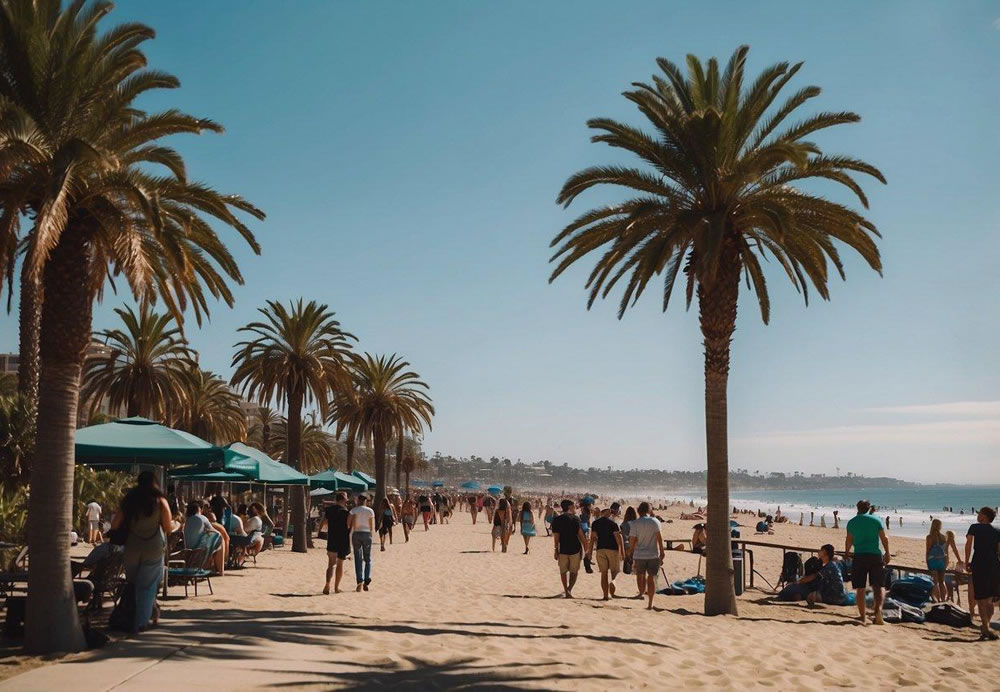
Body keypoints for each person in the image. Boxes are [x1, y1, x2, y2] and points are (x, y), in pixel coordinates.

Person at [112, 471, 172, 632]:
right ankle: (140, 623)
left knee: (135, 584)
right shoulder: (160, 501)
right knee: (146, 587)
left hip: (132, 547)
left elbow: (115, 525)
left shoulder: (129, 500)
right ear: (155, 483)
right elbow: (168, 527)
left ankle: (144, 614)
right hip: (153, 548)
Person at [845, 500, 890, 626]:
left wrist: (847, 553)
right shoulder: (876, 520)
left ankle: (863, 616)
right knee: (879, 585)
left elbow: (849, 540)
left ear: (857, 508)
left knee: (860, 587)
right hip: (875, 555)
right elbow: (884, 538)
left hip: (859, 555)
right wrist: (887, 552)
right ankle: (878, 610)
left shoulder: (852, 522)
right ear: (869, 508)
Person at [964, 506, 1000, 640]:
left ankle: (985, 626)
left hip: (979, 563)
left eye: (979, 514)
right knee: (990, 598)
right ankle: (987, 626)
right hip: (994, 565)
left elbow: (968, 545)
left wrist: (966, 561)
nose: (977, 516)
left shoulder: (975, 527)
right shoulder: (997, 530)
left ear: (983, 516)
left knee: (980, 598)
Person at [627, 501, 664, 610]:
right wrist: (662, 552)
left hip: (639, 555)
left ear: (639, 511)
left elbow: (632, 540)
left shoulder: (635, 523)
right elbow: (660, 538)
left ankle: (641, 593)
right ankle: (650, 603)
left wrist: (630, 553)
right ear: (649, 510)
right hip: (652, 554)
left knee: (640, 575)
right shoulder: (655, 521)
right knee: (651, 577)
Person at [552, 499, 586, 598]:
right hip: (575, 549)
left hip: (563, 549)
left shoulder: (557, 519)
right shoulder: (575, 519)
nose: (575, 508)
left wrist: (556, 549)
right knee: (574, 571)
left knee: (563, 571)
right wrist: (586, 547)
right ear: (570, 507)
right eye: (574, 506)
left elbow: (556, 536)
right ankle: (569, 589)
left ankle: (566, 590)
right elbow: (580, 535)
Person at [588, 507, 624, 601]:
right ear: (608, 514)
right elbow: (618, 540)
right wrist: (622, 553)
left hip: (600, 549)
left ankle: (605, 595)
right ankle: (613, 581)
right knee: (614, 572)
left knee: (604, 573)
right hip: (613, 549)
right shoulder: (613, 524)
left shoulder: (595, 523)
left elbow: (592, 539)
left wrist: (590, 553)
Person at [318, 492, 350, 594]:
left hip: (332, 538)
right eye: (346, 498)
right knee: (340, 564)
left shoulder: (329, 510)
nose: (347, 500)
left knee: (331, 564)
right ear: (343, 499)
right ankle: (336, 587)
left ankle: (327, 585)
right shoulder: (346, 512)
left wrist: (321, 530)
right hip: (343, 540)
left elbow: (322, 523)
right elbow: (350, 526)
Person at [926, 519, 958, 602]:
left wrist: (927, 563)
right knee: (942, 581)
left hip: (933, 560)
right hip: (942, 561)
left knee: (935, 582)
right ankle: (943, 599)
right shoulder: (944, 537)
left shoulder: (929, 537)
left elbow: (928, 551)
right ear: (940, 526)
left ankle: (937, 600)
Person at [350, 494, 376, 591]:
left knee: (358, 558)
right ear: (366, 501)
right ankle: (367, 578)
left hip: (356, 533)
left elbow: (348, 523)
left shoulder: (354, 510)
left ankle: (359, 581)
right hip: (366, 534)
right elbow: (371, 525)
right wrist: (370, 534)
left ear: (358, 500)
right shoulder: (370, 511)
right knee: (367, 558)